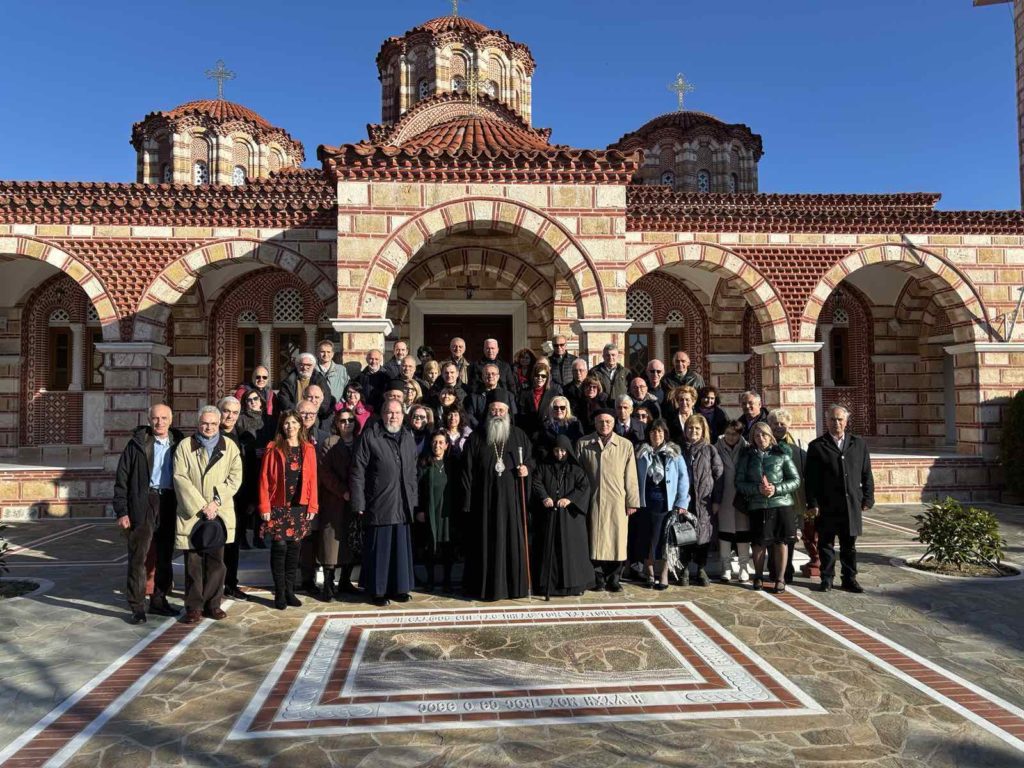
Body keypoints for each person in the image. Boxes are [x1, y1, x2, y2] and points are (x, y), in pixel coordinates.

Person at [113, 404, 184, 624]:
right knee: (138, 556)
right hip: (144, 502)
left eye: (164, 418)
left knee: (164, 556)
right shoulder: (137, 444)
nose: (159, 422)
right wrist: (122, 511)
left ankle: (159, 600)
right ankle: (137, 606)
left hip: (169, 501)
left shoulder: (179, 443)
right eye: (155, 418)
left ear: (171, 420)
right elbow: (122, 479)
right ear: (149, 419)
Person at [461, 390, 534, 600]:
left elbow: (531, 461)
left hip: (511, 504)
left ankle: (514, 587)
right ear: (488, 412)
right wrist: (468, 503)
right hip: (484, 503)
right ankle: (484, 587)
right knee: (485, 543)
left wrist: (526, 469)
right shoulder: (476, 438)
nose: (497, 413)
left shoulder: (519, 435)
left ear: (508, 412)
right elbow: (467, 472)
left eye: (501, 410)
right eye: (494, 410)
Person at [173, 405, 243, 624]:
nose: (209, 427)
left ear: (219, 423)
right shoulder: (185, 446)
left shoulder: (229, 446)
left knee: (216, 562)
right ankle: (193, 606)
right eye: (205, 423)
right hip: (192, 512)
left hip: (218, 512)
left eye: (213, 423)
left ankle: (213, 604)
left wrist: (215, 502)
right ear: (198, 423)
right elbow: (179, 477)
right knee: (193, 562)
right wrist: (201, 505)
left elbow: (235, 477)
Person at [351, 399, 418, 606]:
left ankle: (399, 588)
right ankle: (377, 591)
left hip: (403, 502)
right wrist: (358, 502)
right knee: (380, 550)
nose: (394, 416)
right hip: (379, 502)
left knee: (400, 551)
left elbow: (413, 470)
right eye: (389, 412)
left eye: (397, 413)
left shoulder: (407, 436)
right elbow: (357, 471)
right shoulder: (371, 436)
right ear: (382, 414)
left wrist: (413, 499)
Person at [805, 404, 875, 594]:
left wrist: (868, 498)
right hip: (827, 505)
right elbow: (810, 479)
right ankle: (826, 578)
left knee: (848, 546)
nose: (836, 423)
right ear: (826, 421)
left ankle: (849, 579)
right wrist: (812, 503)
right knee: (826, 545)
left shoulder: (858, 444)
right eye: (832, 419)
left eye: (840, 419)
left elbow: (866, 473)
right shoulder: (817, 446)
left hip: (850, 504)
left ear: (846, 421)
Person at [257, 410, 319, 609]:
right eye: (286, 423)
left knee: (294, 550)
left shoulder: (308, 449)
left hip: (299, 507)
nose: (290, 426)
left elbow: (313, 480)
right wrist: (264, 506)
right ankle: (280, 592)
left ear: (300, 425)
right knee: (280, 547)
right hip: (278, 506)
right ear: (281, 426)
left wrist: (313, 505)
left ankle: (290, 591)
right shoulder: (273, 448)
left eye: (293, 423)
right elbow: (264, 479)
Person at [577, 409, 640, 592]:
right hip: (593, 500)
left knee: (617, 541)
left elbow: (631, 476)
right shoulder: (584, 443)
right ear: (595, 423)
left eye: (608, 422)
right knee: (594, 540)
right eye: (600, 421)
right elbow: (578, 473)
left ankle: (614, 578)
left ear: (614, 423)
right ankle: (597, 578)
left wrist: (632, 501)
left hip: (617, 500)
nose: (604, 425)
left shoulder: (625, 445)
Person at [735, 421, 801, 593]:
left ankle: (780, 578)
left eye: (764, 434)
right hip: (757, 505)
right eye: (757, 435)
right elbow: (739, 482)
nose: (760, 438)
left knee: (780, 542)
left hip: (780, 504)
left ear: (770, 436)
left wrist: (776, 489)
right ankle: (758, 576)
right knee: (758, 543)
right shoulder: (747, 457)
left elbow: (795, 480)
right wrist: (757, 489)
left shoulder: (782, 455)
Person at [531, 435, 593, 597]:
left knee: (571, 551)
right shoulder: (544, 467)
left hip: (570, 519)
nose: (559, 454)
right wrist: (545, 497)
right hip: (549, 516)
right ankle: (547, 586)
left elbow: (584, 487)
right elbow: (536, 482)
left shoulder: (576, 469)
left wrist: (569, 499)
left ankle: (574, 586)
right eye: (557, 450)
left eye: (563, 451)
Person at [631, 419, 689, 591]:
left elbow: (683, 480)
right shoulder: (640, 453)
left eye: (660, 432)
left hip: (666, 505)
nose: (656, 435)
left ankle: (663, 574)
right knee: (647, 539)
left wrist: (682, 502)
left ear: (665, 434)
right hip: (645, 503)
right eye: (653, 432)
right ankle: (649, 572)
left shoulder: (674, 454)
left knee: (665, 541)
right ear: (648, 434)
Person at [317, 409, 359, 600]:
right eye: (343, 421)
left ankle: (345, 581)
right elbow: (325, 473)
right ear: (336, 423)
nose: (347, 424)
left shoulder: (360, 442)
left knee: (351, 541)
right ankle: (328, 584)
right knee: (330, 542)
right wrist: (342, 490)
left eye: (350, 420)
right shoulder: (329, 442)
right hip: (335, 500)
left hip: (355, 500)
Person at [677, 414, 723, 586]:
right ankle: (684, 569)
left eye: (697, 428)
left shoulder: (710, 450)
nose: (693, 431)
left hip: (705, 501)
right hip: (685, 501)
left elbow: (719, 476)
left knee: (703, 536)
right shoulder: (679, 449)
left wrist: (717, 500)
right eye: (690, 428)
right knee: (684, 536)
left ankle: (701, 569)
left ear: (703, 431)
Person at [769, 409, 808, 585]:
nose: (778, 427)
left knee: (789, 537)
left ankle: (787, 570)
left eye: (782, 424)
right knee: (770, 535)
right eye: (775, 424)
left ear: (788, 426)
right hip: (769, 500)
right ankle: (773, 569)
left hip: (792, 501)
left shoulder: (797, 450)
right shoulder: (763, 446)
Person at [416, 431, 458, 592]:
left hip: (447, 511)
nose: (437, 445)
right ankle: (430, 580)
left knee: (448, 547)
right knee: (430, 547)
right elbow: (417, 488)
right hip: (430, 510)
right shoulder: (424, 463)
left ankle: (447, 580)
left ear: (447, 445)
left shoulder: (452, 464)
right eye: (435, 442)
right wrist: (419, 509)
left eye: (441, 442)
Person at [218, 396, 249, 602]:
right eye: (226, 411)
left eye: (235, 412)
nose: (230, 416)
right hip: (216, 499)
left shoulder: (243, 437)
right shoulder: (212, 435)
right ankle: (212, 586)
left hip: (238, 500)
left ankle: (230, 583)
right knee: (215, 544)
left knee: (233, 544)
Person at [714, 419, 751, 583]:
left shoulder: (747, 448)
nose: (730, 437)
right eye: (728, 433)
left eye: (734, 434)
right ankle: (726, 567)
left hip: (742, 496)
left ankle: (743, 567)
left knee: (743, 532)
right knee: (725, 532)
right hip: (724, 496)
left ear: (739, 434)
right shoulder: (716, 448)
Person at [238, 389, 274, 550]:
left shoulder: (270, 420)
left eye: (255, 399)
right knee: (246, 504)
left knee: (262, 500)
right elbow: (238, 443)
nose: (252, 402)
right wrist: (252, 451)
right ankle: (242, 538)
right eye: (248, 400)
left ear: (261, 401)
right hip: (247, 466)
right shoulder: (241, 420)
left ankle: (259, 537)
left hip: (265, 466)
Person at [516, 359, 562, 438]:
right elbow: (521, 415)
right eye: (537, 375)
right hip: (528, 434)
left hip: (548, 435)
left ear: (547, 377)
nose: (540, 378)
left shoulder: (554, 393)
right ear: (533, 376)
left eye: (543, 376)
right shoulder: (524, 392)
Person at [536, 395, 584, 460]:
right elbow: (542, 446)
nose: (559, 410)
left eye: (562, 407)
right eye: (555, 407)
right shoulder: (545, 425)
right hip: (551, 460)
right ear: (551, 409)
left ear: (567, 409)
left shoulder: (575, 424)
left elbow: (580, 443)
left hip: (572, 459)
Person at [315, 339, 349, 405]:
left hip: (336, 408)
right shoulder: (313, 370)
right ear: (317, 353)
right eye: (322, 351)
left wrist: (341, 403)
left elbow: (347, 388)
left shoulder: (341, 370)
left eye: (328, 352)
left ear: (333, 354)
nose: (325, 354)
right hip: (317, 407)